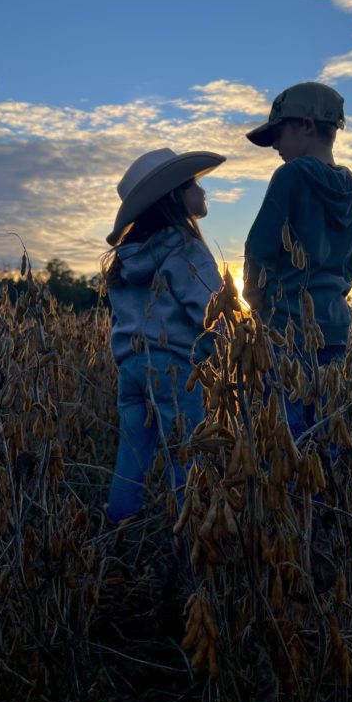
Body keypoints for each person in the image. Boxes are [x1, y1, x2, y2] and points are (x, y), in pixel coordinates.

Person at [101, 147, 225, 523]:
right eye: (193, 184)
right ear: (174, 195)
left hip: (132, 369)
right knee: (187, 456)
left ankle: (115, 536)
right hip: (175, 370)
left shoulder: (127, 258)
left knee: (132, 457)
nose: (202, 191)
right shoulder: (186, 249)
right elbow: (213, 313)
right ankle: (191, 547)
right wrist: (222, 358)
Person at [243, 82, 352, 433]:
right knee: (326, 439)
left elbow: (258, 250)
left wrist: (262, 310)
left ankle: (293, 493)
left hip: (288, 332)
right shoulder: (348, 187)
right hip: (336, 332)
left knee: (285, 442)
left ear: (307, 126)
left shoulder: (290, 176)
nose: (276, 145)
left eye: (279, 133)